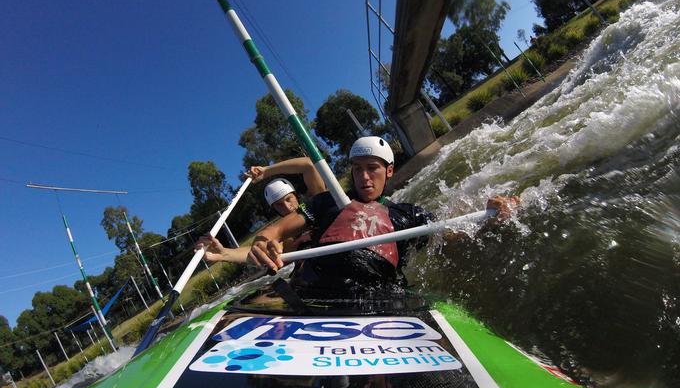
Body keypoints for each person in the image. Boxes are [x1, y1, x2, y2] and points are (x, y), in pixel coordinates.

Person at [246, 136, 519, 296]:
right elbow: (274, 233)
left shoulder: (407, 214)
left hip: (380, 299)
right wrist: (261, 244)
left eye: (372, 168)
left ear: (389, 171)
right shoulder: (327, 202)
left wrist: (490, 218)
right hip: (313, 294)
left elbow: (449, 239)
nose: (364, 177)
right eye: (357, 169)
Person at [196, 157, 325, 264]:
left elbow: (308, 165)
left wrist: (267, 171)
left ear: (295, 196)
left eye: (288, 199)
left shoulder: (318, 202)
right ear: (273, 209)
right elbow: (258, 248)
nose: (286, 206)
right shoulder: (283, 237)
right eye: (279, 205)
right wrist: (224, 253)